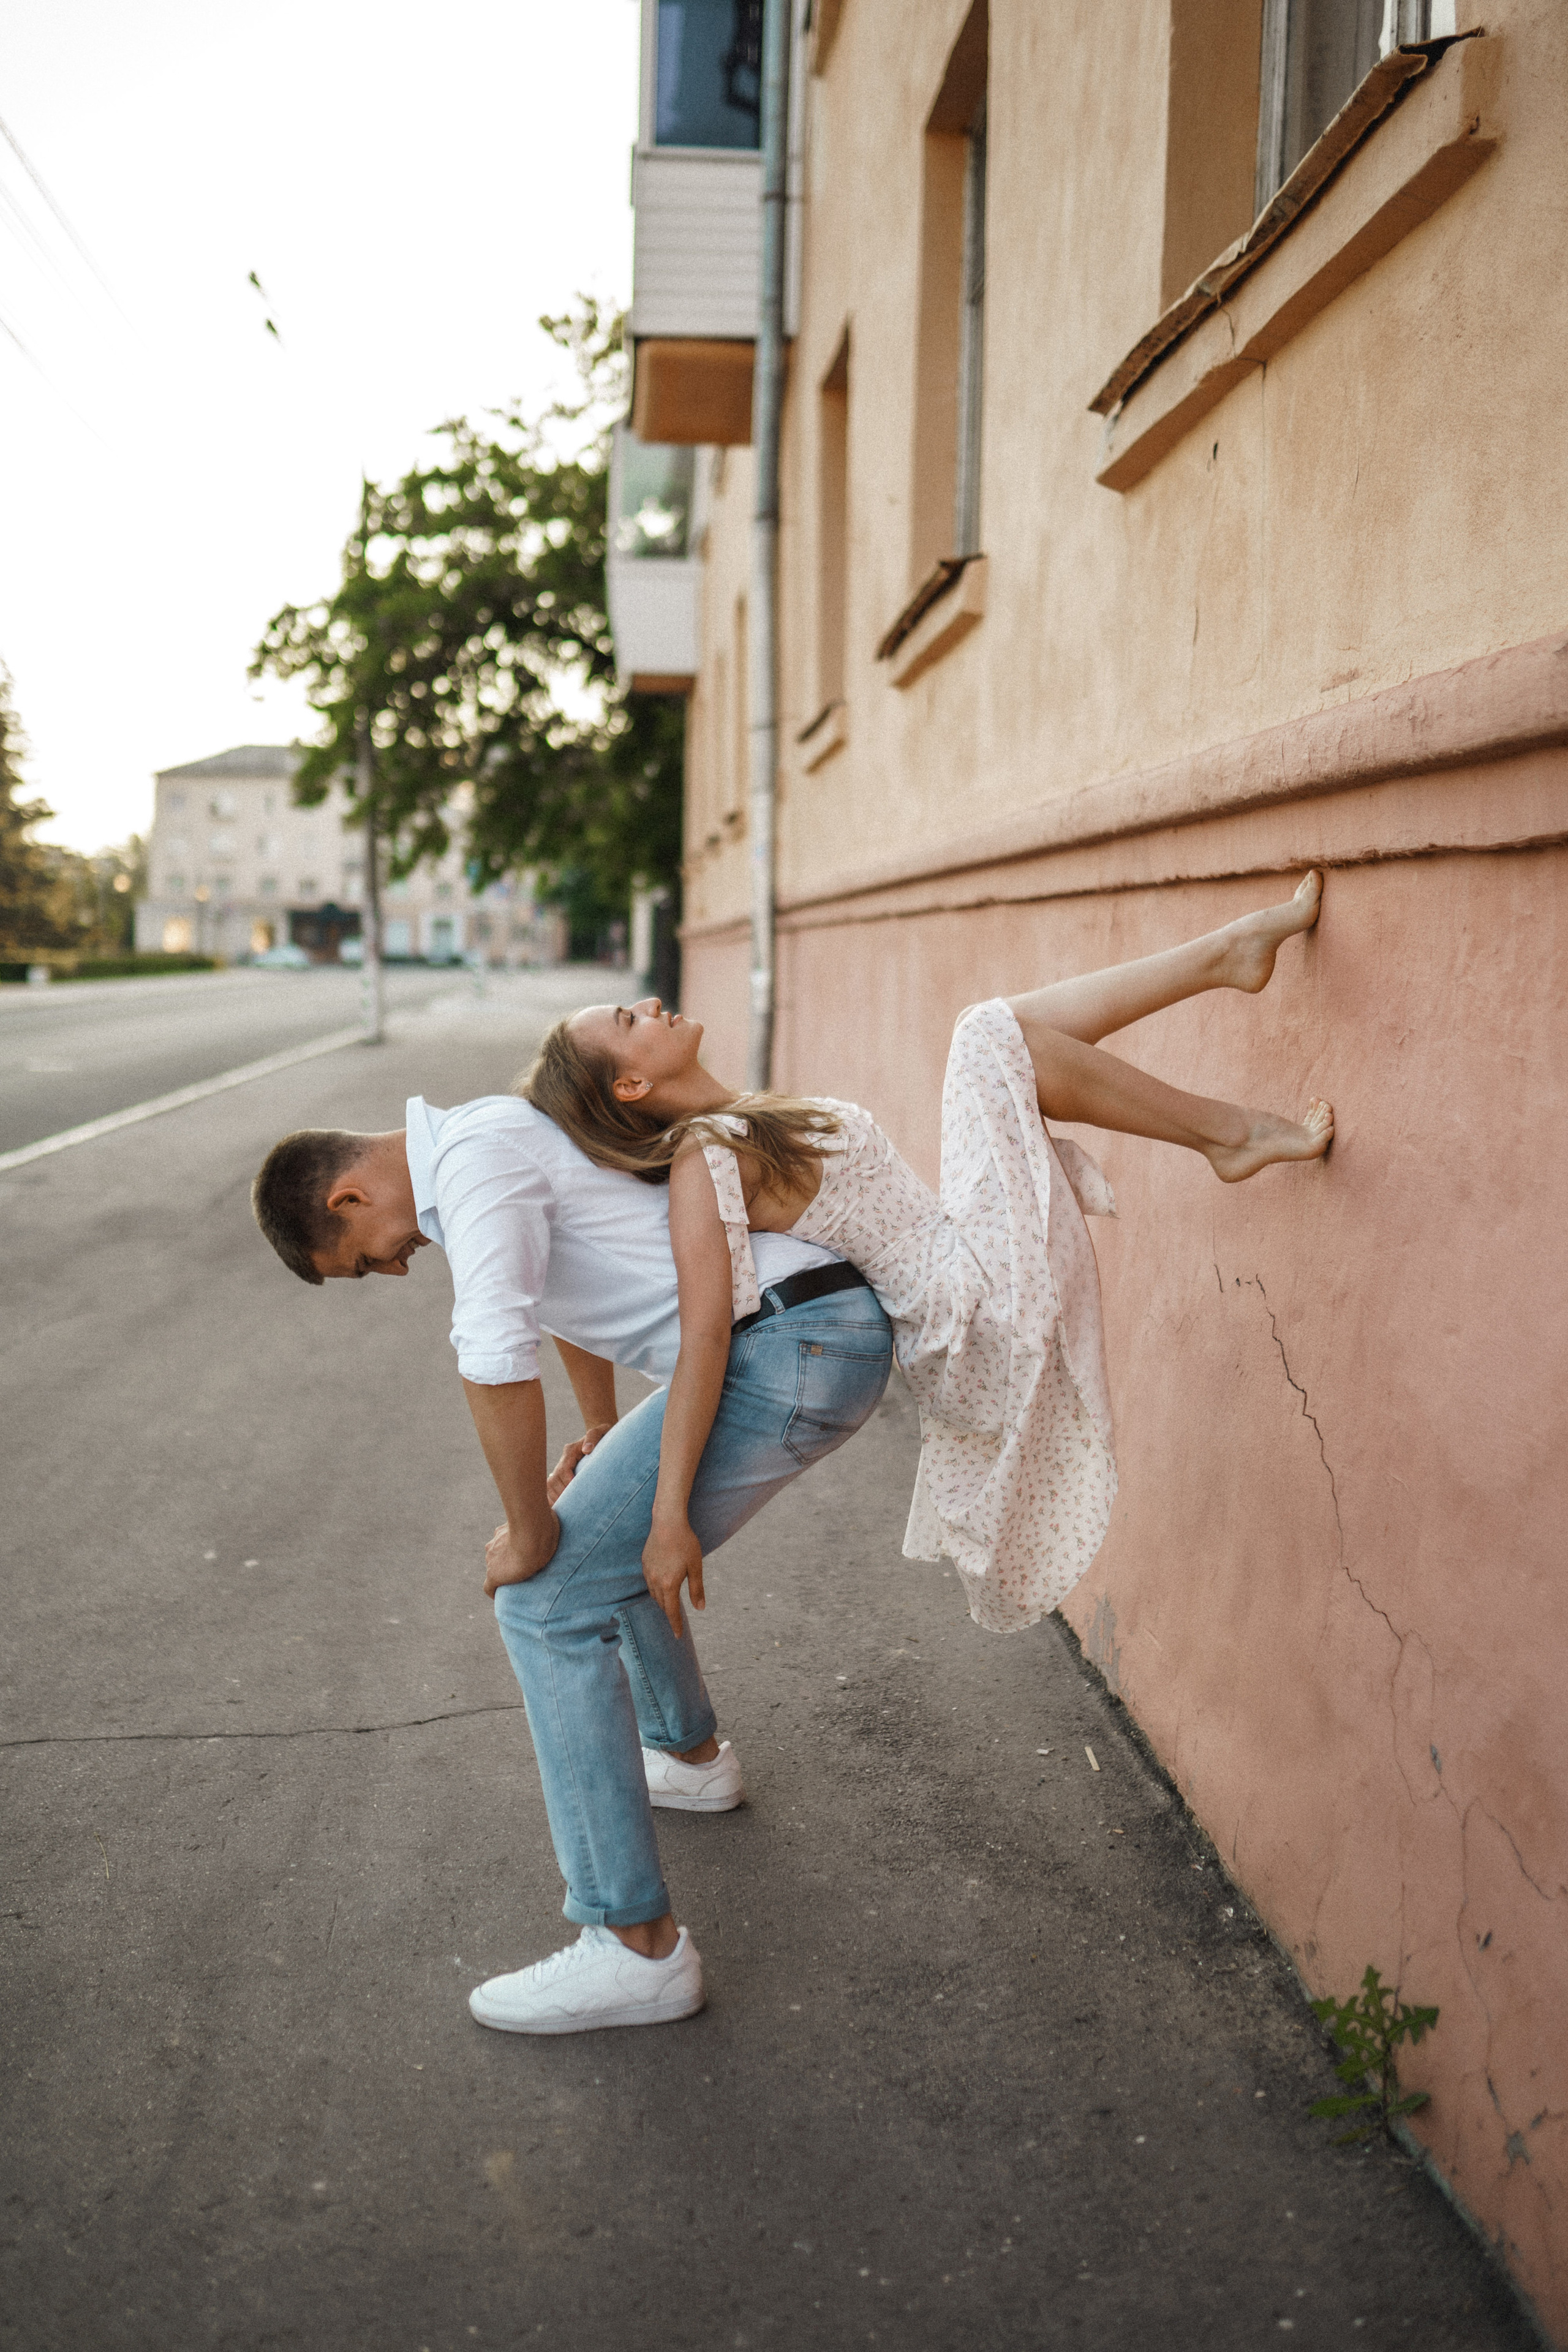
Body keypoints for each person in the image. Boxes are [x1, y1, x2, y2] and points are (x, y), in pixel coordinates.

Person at [526, 875, 1332, 1643]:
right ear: (630, 1087)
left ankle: (1228, 974)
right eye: (629, 1022)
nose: (651, 1003)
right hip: (963, 1321)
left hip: (962, 1265)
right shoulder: (706, 1162)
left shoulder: (740, 1121)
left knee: (1000, 1038)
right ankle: (1231, 1118)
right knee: (985, 1036)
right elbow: (703, 1336)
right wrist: (668, 1517)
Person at [250, 1077, 893, 2035]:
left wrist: (532, 1530)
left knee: (543, 1603)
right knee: (604, 1547)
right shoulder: (483, 1139)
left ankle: (635, 1949)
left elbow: (494, 1350)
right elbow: (555, 1291)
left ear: (348, 1199)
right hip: (805, 1327)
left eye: (363, 1264)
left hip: (786, 1344)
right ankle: (690, 1755)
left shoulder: (469, 1169)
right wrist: (598, 1428)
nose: (394, 1271)